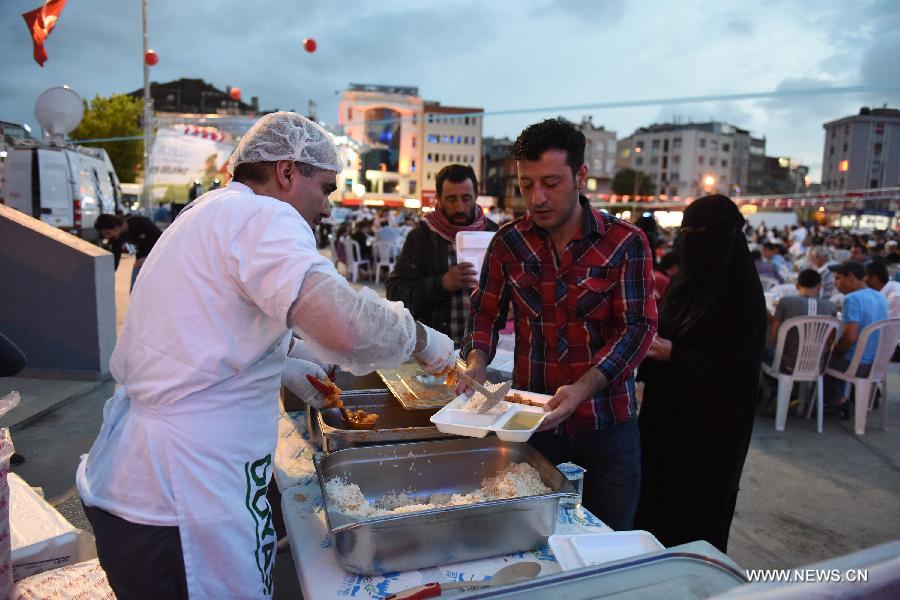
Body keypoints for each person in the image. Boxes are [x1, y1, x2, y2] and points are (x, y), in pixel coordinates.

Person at [76, 112, 455, 599]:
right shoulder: (263, 215)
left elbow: (210, 330)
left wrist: (283, 362)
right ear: (287, 172)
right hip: (181, 495)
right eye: (326, 188)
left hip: (144, 478)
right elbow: (344, 326)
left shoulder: (212, 209)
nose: (327, 206)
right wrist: (423, 341)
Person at [457, 119, 657, 530]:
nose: (537, 197)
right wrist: (475, 360)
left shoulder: (625, 242)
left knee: (609, 543)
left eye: (550, 182)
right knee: (535, 535)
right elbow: (485, 313)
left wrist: (582, 388)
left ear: (581, 176)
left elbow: (637, 328)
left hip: (607, 428)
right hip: (533, 427)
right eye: (526, 185)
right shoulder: (509, 242)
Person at [636, 195, 767, 553]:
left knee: (693, 521)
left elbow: (736, 372)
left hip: (710, 433)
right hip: (666, 418)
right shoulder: (687, 281)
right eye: (685, 232)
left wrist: (675, 354)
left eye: (696, 233)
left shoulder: (744, 295)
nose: (687, 241)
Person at [386, 164, 499, 347]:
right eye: (451, 199)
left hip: (485, 348)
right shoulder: (421, 237)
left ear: (477, 196)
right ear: (438, 198)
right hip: (436, 349)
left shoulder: (494, 233)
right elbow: (396, 294)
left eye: (466, 198)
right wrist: (442, 283)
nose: (460, 208)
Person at [823, 261, 888, 410]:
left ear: (850, 277)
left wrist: (836, 349)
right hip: (874, 363)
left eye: (838, 278)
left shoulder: (852, 299)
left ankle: (837, 400)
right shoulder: (881, 297)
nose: (835, 284)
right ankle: (859, 395)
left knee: (821, 358)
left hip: (855, 364)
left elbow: (850, 337)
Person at [764, 268, 838, 376]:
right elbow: (830, 342)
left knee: (763, 351)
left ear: (797, 286)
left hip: (787, 364)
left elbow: (774, 337)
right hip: (817, 366)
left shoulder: (785, 302)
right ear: (819, 287)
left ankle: (772, 390)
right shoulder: (831, 306)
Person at [95, 213, 163, 291]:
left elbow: (163, 242)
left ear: (116, 227)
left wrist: (147, 258)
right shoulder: (116, 238)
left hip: (159, 259)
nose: (108, 237)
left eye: (108, 233)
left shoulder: (141, 223)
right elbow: (115, 258)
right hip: (140, 262)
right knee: (134, 289)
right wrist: (107, 276)